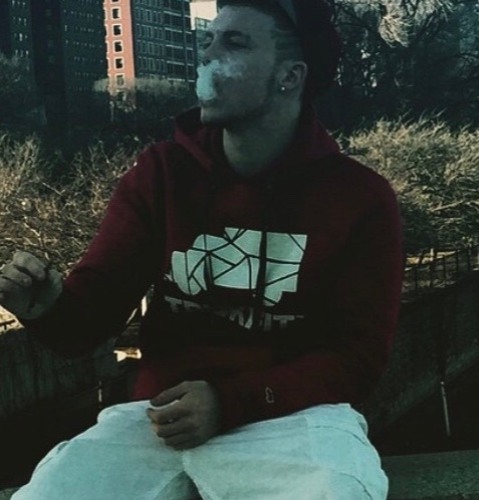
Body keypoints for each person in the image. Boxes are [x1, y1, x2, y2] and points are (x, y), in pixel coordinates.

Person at [0, 0, 404, 498]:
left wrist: (230, 402)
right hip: (160, 416)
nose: (208, 57)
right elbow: (89, 320)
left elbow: (358, 358)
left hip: (293, 419)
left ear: (290, 76)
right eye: (207, 41)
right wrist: (47, 308)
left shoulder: (358, 197)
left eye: (234, 43)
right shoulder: (162, 173)